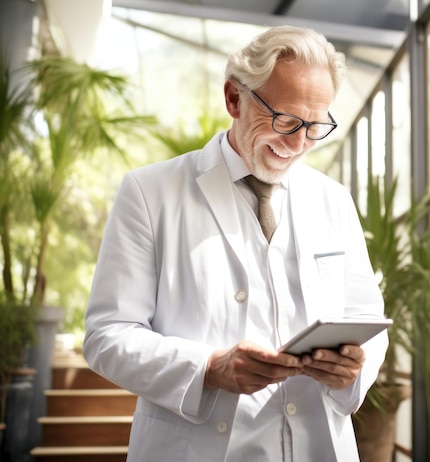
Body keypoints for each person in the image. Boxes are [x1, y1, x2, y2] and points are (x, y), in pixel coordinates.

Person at [83, 25, 388, 462]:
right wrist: (208, 368)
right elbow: (106, 335)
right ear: (234, 99)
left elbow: (366, 317)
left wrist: (352, 369)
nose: (298, 143)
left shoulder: (333, 200)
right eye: (284, 119)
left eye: (315, 126)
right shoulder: (150, 193)